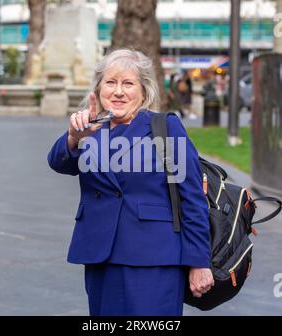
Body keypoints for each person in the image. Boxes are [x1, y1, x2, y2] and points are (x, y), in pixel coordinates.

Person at [47, 49, 214, 316]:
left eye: (128, 83)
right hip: (101, 256)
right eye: (111, 82)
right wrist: (73, 137)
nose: (118, 91)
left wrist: (198, 262)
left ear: (144, 91)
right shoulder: (91, 127)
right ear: (99, 89)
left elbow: (192, 198)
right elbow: (58, 162)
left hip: (154, 259)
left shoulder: (165, 128)